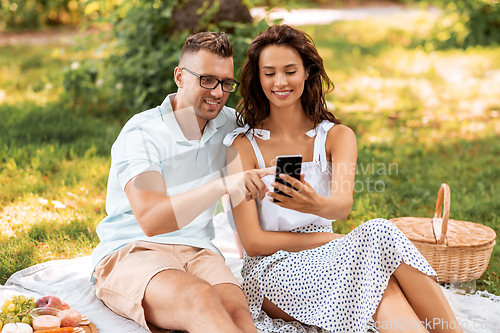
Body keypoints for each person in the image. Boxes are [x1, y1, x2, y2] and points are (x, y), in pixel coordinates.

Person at [224, 24, 463, 333]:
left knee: (379, 281)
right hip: (272, 272)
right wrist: (343, 241)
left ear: (308, 72)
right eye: (269, 73)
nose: (279, 82)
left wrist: (314, 203)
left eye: (290, 71)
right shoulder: (241, 147)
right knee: (378, 245)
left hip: (333, 258)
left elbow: (341, 207)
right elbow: (255, 243)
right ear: (258, 77)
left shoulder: (336, 137)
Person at [90, 31, 272, 333]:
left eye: (226, 83)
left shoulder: (229, 124)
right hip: (134, 249)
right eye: (207, 79)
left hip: (199, 250)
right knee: (199, 297)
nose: (217, 92)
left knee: (238, 313)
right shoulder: (143, 133)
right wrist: (222, 184)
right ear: (179, 76)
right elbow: (151, 219)